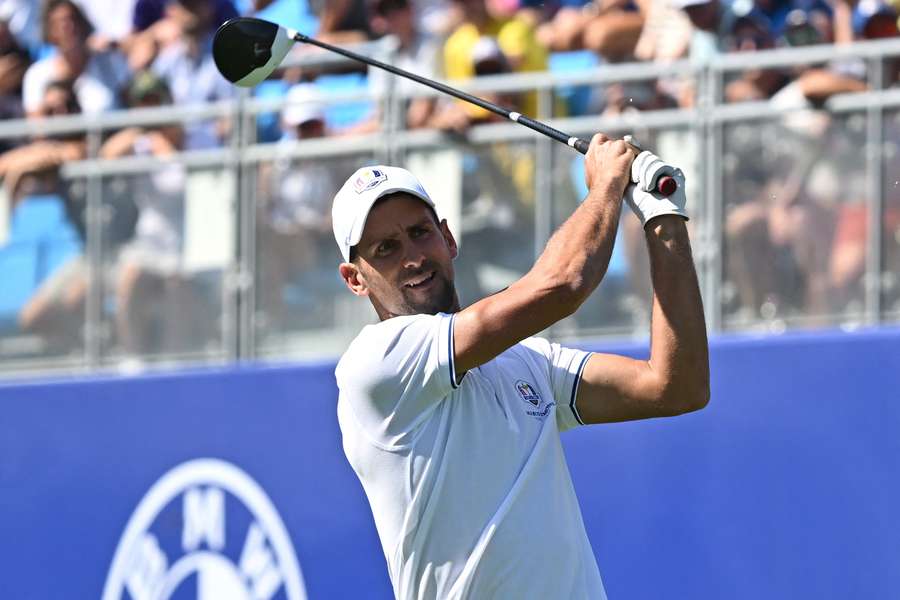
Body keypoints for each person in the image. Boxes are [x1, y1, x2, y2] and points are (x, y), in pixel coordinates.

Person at [331, 137, 710, 598]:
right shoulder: (375, 363)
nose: (412, 256)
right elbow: (564, 283)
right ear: (355, 279)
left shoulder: (528, 361)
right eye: (385, 248)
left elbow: (675, 386)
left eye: (419, 232)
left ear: (448, 238)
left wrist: (663, 218)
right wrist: (607, 184)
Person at [22, 0, 131, 118]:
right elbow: (36, 131)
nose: (68, 27)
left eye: (72, 19)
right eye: (59, 24)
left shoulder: (109, 64)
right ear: (49, 31)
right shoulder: (36, 75)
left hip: (113, 135)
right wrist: (47, 108)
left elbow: (132, 109)